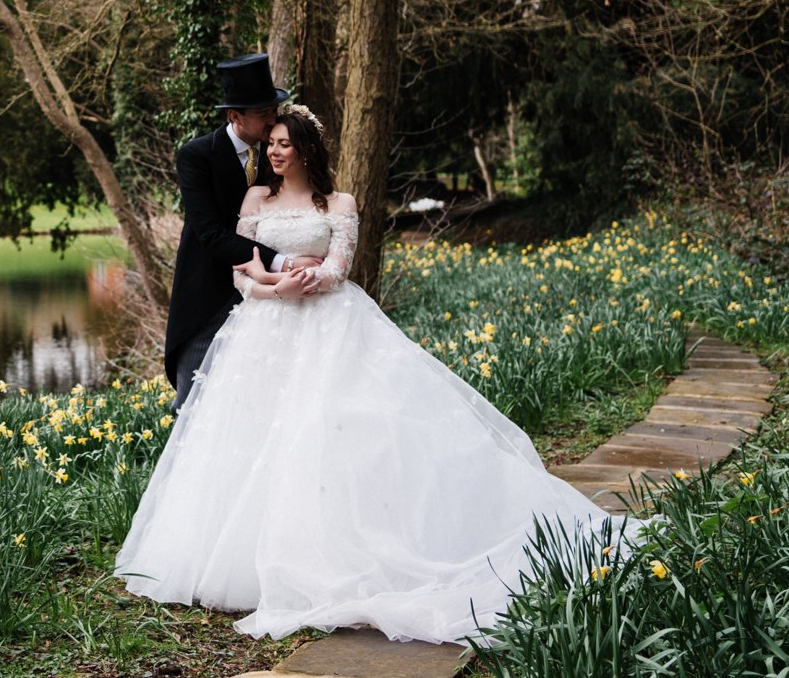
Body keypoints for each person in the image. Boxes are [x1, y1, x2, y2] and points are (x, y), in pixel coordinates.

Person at [118, 104, 617, 644]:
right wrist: (273, 287)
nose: (273, 151)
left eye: (284, 143)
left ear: (306, 150)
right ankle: (239, 559)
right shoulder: (255, 199)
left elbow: (339, 266)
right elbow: (242, 274)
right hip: (262, 327)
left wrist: (305, 281)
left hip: (330, 324)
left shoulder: (340, 202)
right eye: (271, 143)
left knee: (335, 429)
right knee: (254, 434)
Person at [163, 53, 323, 412]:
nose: (273, 119)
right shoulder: (197, 156)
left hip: (272, 297)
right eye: (263, 113)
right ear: (234, 116)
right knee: (192, 399)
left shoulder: (280, 152)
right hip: (209, 292)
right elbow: (210, 233)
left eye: (274, 108)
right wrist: (283, 263)